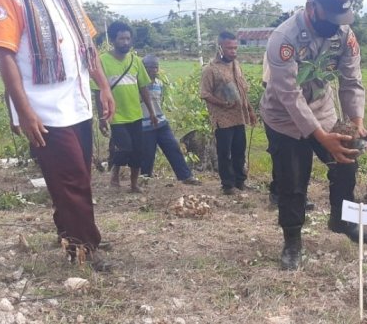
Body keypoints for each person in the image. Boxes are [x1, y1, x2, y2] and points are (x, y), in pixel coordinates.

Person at [0, 0, 116, 271]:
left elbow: (87, 44)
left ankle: (70, 235)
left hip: (77, 104)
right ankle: (85, 247)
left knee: (78, 177)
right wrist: (24, 111)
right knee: (72, 182)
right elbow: (5, 56)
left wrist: (104, 87)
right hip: (44, 111)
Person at [261, 0, 367, 270]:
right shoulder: (284, 39)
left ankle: (341, 218)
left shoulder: (345, 36)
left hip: (322, 110)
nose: (337, 26)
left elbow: (351, 81)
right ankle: (293, 242)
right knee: (292, 182)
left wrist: (356, 124)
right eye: (332, 19)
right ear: (312, 8)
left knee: (347, 161)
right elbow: (290, 96)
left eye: (342, 21)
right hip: (284, 119)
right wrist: (322, 138)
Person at [95, 21, 157, 193]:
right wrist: (102, 118)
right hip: (116, 116)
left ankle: (134, 184)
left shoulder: (135, 61)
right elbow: (97, 92)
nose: (126, 42)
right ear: (113, 40)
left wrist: (151, 112)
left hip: (135, 115)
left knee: (138, 150)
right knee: (125, 147)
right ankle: (114, 175)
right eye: (121, 39)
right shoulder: (102, 62)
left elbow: (143, 87)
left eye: (128, 39)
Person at [200, 31, 256, 195]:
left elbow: (243, 90)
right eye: (229, 48)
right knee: (225, 153)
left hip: (239, 117)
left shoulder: (235, 65)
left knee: (239, 151)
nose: (233, 51)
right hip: (222, 119)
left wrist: (251, 111)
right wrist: (222, 104)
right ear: (220, 47)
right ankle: (228, 185)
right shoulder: (210, 70)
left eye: (235, 48)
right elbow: (204, 94)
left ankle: (240, 181)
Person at [262, 53, 315, 211]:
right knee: (282, 156)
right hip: (279, 115)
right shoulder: (277, 52)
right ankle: (277, 192)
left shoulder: (310, 53)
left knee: (305, 155)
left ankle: (301, 196)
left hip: (303, 114)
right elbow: (267, 83)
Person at [139, 54, 201, 185]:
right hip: (145, 125)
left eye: (156, 67)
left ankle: (185, 176)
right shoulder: (137, 85)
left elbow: (158, 103)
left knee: (173, 148)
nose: (153, 70)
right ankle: (144, 179)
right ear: (143, 68)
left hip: (161, 123)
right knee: (147, 154)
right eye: (149, 67)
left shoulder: (159, 84)